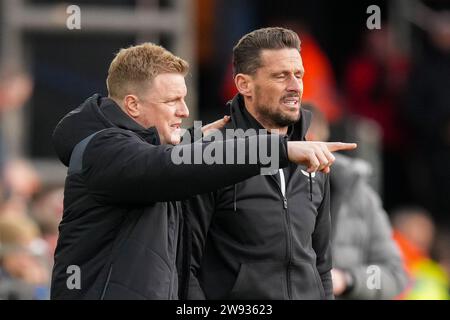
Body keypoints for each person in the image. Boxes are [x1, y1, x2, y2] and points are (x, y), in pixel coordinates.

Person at [50, 42, 355, 300]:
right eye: (172, 101)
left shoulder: (144, 150)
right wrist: (280, 149)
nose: (184, 111)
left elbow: (162, 162)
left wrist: (193, 142)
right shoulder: (103, 150)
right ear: (132, 105)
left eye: (184, 99)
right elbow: (165, 170)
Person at [186, 27, 356, 300]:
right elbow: (186, 269)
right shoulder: (213, 156)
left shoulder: (314, 157)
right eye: (281, 76)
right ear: (244, 84)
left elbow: (321, 266)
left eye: (298, 75)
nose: (295, 86)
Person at [304, 103, 408, 299]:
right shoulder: (257, 189)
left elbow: (395, 275)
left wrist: (347, 279)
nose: (307, 147)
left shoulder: (357, 194)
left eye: (311, 137)